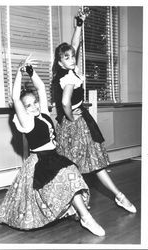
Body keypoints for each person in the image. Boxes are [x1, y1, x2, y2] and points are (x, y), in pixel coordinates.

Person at [0, 56, 106, 237]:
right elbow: (15, 97)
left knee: (71, 176)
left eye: (35, 102)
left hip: (54, 157)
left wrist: (30, 71)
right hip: (40, 162)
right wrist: (18, 73)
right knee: (65, 177)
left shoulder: (44, 113)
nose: (33, 107)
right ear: (23, 110)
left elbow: (40, 87)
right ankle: (86, 217)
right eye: (28, 105)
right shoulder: (27, 122)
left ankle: (82, 214)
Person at [52, 10, 136, 214]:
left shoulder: (62, 72)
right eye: (67, 58)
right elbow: (64, 102)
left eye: (72, 57)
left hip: (67, 124)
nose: (72, 59)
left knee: (73, 166)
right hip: (76, 124)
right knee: (92, 164)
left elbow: (74, 46)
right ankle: (115, 197)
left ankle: (79, 205)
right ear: (61, 61)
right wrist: (72, 117)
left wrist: (79, 25)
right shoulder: (69, 78)